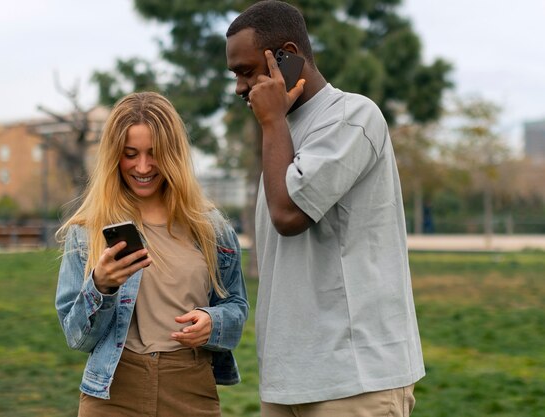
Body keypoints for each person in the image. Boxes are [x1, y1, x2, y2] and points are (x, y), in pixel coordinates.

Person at [225, 1, 425, 416]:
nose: (240, 88)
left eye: (247, 72)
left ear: (287, 56)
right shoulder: (279, 133)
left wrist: (272, 122)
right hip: (288, 381)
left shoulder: (352, 116)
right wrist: (275, 125)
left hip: (354, 382)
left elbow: (289, 216)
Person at [55, 91, 249, 417]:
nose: (142, 166)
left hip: (190, 389)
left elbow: (237, 309)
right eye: (130, 154)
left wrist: (212, 322)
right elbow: (77, 338)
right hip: (114, 392)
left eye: (154, 154)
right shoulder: (88, 231)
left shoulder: (211, 228)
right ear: (114, 155)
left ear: (173, 154)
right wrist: (101, 286)